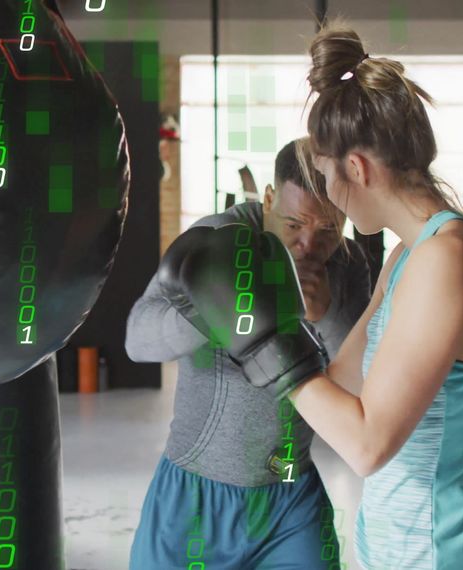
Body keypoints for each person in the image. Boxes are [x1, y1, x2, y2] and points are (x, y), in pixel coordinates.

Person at [188, 19, 463, 569]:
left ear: (356, 167)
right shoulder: (407, 256)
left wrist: (258, 339)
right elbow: (337, 385)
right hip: (391, 548)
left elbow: (367, 445)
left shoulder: (450, 258)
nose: (329, 197)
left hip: (445, 554)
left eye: (325, 175)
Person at [125, 138, 372, 568]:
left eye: (328, 230)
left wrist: (325, 313)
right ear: (270, 199)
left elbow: (362, 383)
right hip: (198, 492)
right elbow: (136, 341)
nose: (309, 246)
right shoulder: (217, 240)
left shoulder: (347, 266)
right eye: (294, 225)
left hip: (291, 495)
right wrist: (211, 306)